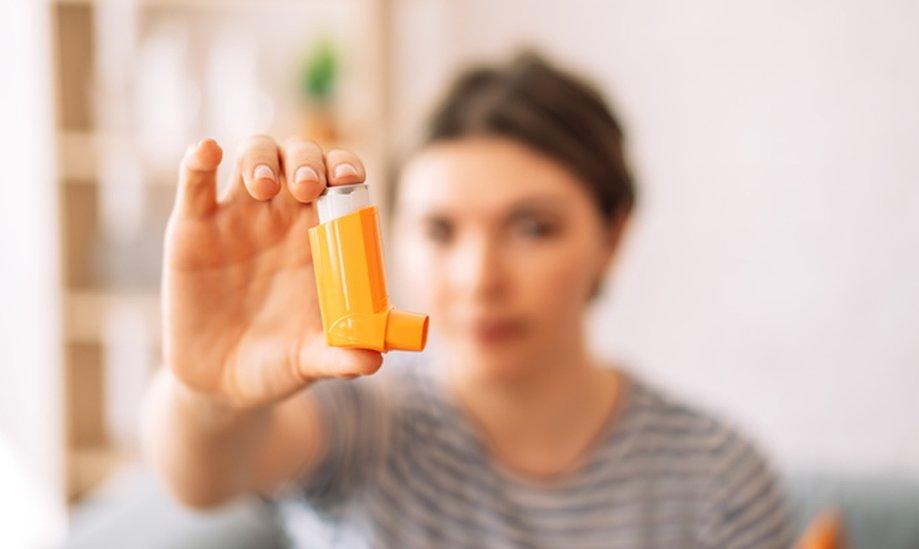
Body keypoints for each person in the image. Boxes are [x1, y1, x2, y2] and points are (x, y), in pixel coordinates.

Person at [143, 51, 793, 548]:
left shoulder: (717, 474)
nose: (479, 277)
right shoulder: (365, 423)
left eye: (532, 227)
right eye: (439, 230)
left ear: (613, 233)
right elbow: (202, 478)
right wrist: (211, 395)